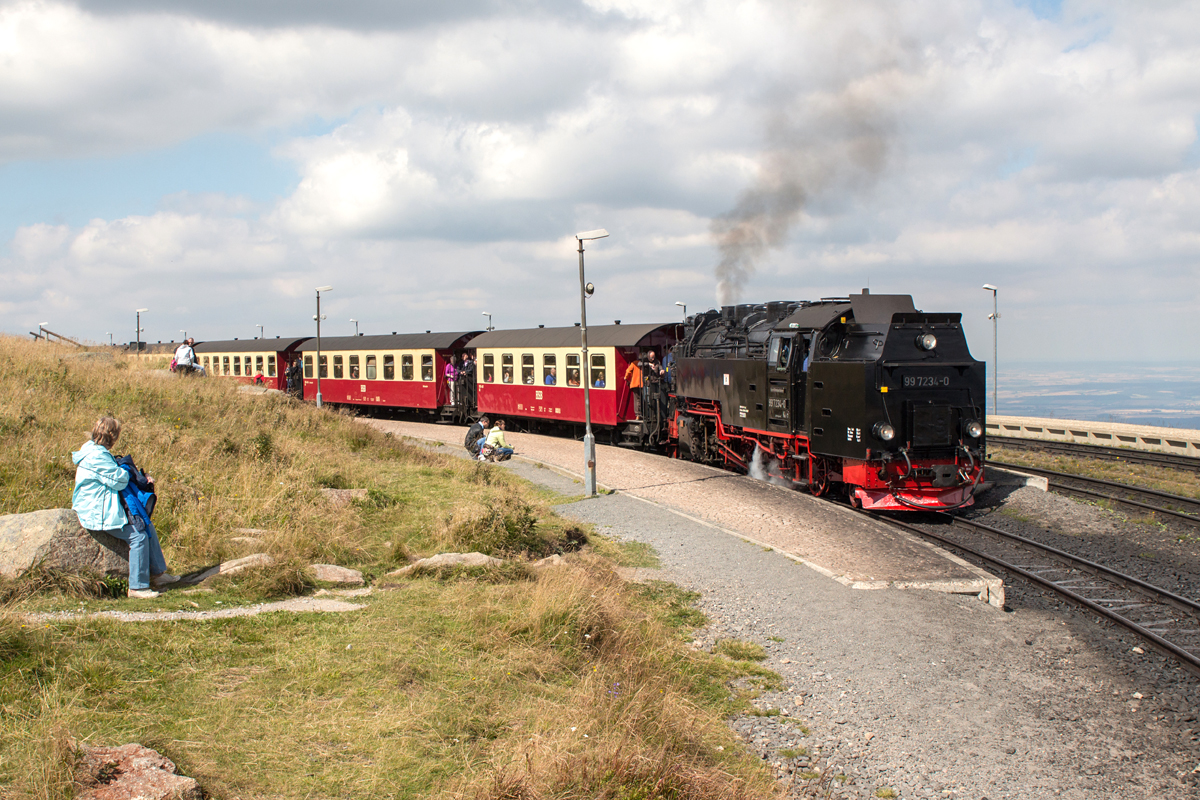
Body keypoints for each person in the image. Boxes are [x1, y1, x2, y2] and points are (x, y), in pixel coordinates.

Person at [71, 417, 178, 599]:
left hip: (102, 504)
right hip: (97, 511)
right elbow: (118, 481)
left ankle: (158, 574)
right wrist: (129, 471)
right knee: (138, 536)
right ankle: (137, 587)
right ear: (112, 436)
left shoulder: (93, 451)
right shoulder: (96, 457)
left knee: (146, 524)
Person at [624, 352, 644, 417]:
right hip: (642, 384)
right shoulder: (644, 364)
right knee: (642, 398)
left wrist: (626, 377)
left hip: (635, 384)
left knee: (637, 399)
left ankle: (638, 414)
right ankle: (643, 413)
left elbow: (628, 371)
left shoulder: (634, 363)